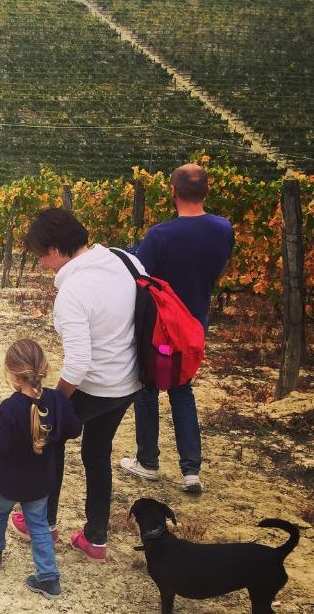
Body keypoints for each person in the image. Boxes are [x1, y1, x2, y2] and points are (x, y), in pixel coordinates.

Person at [10, 209, 145, 562]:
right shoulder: (125, 260)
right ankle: (95, 540)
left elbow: (80, 363)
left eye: (41, 255)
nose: (41, 264)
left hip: (95, 385)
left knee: (48, 445)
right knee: (97, 453)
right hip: (129, 381)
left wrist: (56, 401)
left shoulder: (74, 290)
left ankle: (43, 523)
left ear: (55, 249)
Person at [120, 163, 234, 494]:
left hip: (158, 327)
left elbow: (141, 275)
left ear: (172, 192)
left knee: (147, 386)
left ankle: (148, 462)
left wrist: (130, 253)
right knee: (182, 388)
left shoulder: (160, 235)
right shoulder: (224, 229)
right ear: (207, 191)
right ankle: (191, 471)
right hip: (195, 325)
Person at [0, 339, 82, 600]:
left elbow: (0, 446)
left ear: (12, 374)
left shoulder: (11, 407)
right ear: (42, 368)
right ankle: (48, 577)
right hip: (40, 481)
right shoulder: (57, 400)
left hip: (6, 480)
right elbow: (75, 429)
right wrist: (53, 434)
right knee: (39, 526)